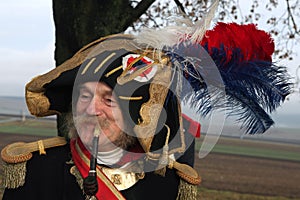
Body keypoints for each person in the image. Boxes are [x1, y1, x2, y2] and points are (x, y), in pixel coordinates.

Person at [1, 7, 291, 200]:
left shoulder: (169, 186)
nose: (91, 110)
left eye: (107, 99)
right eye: (84, 96)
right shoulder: (35, 170)